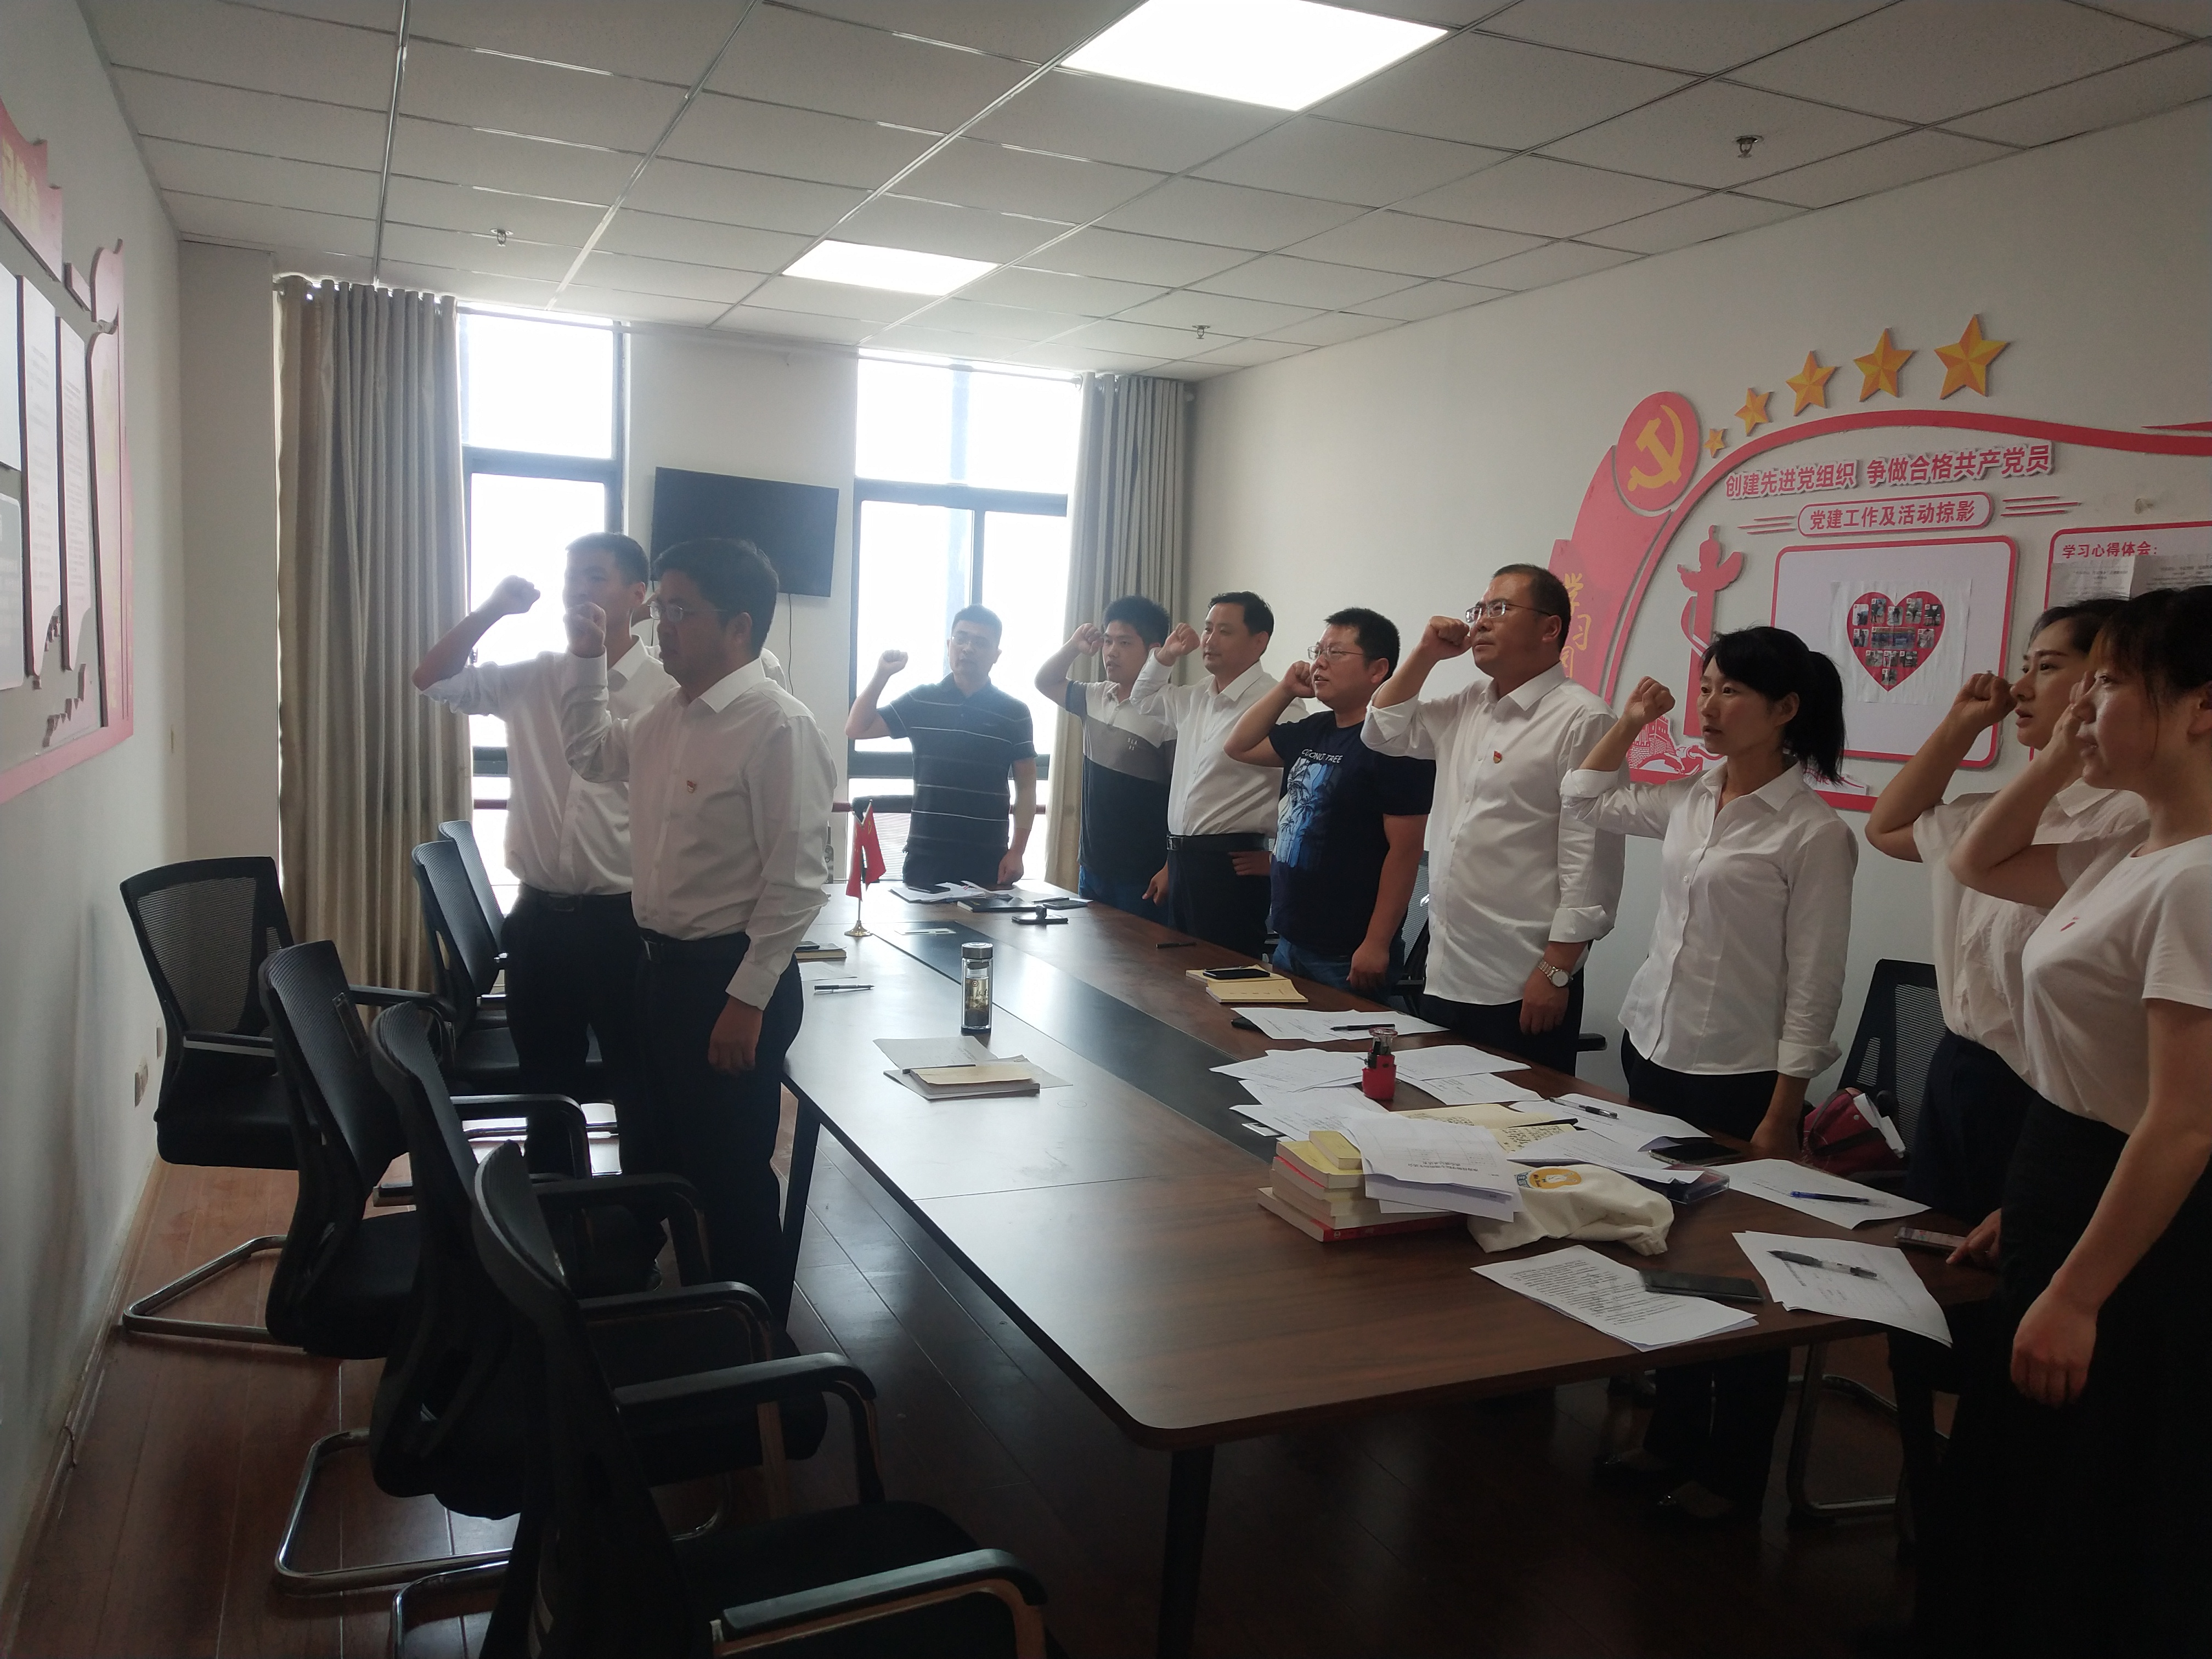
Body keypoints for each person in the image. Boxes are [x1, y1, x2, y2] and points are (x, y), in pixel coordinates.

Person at [1924, 585, 2211, 1657]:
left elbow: (2182, 1126)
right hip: (2067, 1176)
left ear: (2201, 708)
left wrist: (2079, 1291)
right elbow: (1977, 863)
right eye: (2077, 687)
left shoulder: (2198, 882)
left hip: (2136, 1230)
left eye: (2110, 685)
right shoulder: (2135, 852)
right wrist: (2058, 756)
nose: (2081, 706)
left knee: (2093, 1486)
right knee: (2023, 1466)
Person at [1566, 627, 1855, 1526]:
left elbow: (1815, 984)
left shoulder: (1813, 832)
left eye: (1731, 691)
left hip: (1740, 1077)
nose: (1709, 705)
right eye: (1707, 686)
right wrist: (1630, 720)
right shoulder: (1693, 795)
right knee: (1667, 1249)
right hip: (1654, 1049)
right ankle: (1672, 1437)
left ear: (1786, 709)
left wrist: (1784, 1108)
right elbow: (1583, 794)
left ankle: (1732, 1477)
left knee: (1740, 1273)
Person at [558, 537, 834, 1299]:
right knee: (664, 1151)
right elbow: (591, 754)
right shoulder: (668, 716)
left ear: (738, 627)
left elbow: (797, 881)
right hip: (659, 972)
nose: (661, 625)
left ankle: (760, 1340)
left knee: (731, 1176)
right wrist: (586, 660)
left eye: (680, 610)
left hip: (727, 983)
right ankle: (692, 1308)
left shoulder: (778, 726)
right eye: (660, 607)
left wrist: (747, 1000)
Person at [1864, 599, 2141, 1226]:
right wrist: (1960, 726)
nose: (2020, 688)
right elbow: (1886, 829)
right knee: (1927, 1247)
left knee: (2006, 1265)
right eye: (2025, 666)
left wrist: (2066, 752)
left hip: (2048, 1087)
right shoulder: (1991, 811)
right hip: (1959, 1064)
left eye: (2048, 667)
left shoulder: (2126, 822)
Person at [411, 532, 670, 1158]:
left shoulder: (666, 694)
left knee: (639, 1083)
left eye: (596, 577)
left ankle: (642, 1210)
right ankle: (549, 1206)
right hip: (539, 923)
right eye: (572, 576)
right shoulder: (537, 677)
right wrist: (493, 610)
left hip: (625, 923)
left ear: (637, 596)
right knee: (545, 1089)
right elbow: (431, 679)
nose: (578, 589)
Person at [1363, 565, 1625, 1073]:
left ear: (1550, 628)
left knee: (1520, 1117)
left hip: (1522, 979)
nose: (1481, 622)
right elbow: (1382, 732)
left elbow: (1590, 859)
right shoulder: (1469, 705)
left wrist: (1556, 971)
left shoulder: (1584, 718)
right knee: (1437, 1109)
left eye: (1500, 609)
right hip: (1447, 970)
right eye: (1479, 609)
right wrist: (1426, 654)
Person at [1222, 608, 1433, 992]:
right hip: (1289, 939)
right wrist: (1285, 689)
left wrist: (1376, 943)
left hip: (1347, 952)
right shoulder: (1315, 729)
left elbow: (1405, 852)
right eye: (1318, 651)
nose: (1319, 663)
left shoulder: (1396, 745)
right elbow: (1239, 746)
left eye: (1335, 653)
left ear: (1377, 670)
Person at [1127, 592, 1302, 957]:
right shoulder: (1195, 697)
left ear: (1259, 641)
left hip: (1232, 867)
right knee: (1178, 971)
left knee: (1224, 973)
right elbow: (1141, 699)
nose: (1210, 640)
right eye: (1208, 629)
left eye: (1225, 631)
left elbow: (1305, 790)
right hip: (1182, 859)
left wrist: (1279, 857)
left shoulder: (1280, 702)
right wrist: (1167, 655)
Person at [846, 606, 1036, 890]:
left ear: (996, 654)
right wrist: (882, 675)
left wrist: (1018, 851)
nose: (968, 648)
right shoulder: (922, 701)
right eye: (961, 638)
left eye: (980, 642)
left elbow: (1027, 788)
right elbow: (857, 729)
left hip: (988, 858)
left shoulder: (1014, 712)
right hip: (926, 857)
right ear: (949, 645)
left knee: (990, 922)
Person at [1033, 595, 1176, 922]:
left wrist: (1171, 866)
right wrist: (1074, 646)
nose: (1111, 652)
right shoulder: (1096, 695)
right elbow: (1045, 681)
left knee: (1136, 954)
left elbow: (1181, 797)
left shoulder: (1169, 711)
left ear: (1154, 651)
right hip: (1093, 865)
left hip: (1143, 872)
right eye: (1108, 641)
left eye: (1124, 643)